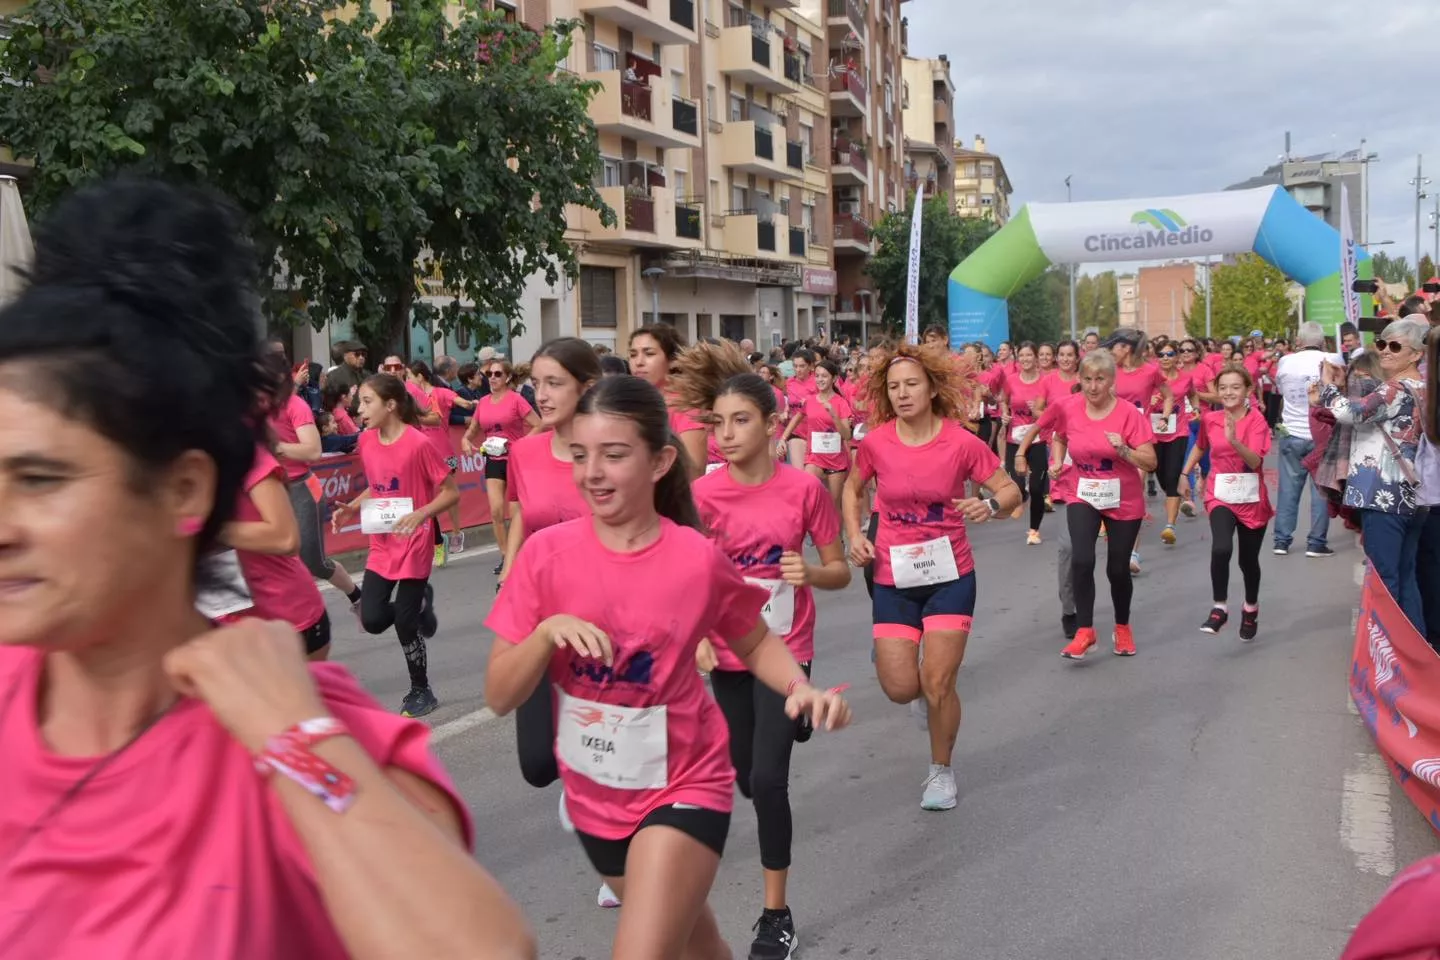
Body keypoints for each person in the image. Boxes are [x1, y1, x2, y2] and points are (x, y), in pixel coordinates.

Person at [0, 177, 534, 959]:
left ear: (184, 489)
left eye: (42, 480)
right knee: (379, 606)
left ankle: (415, 639)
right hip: (349, 560)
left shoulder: (304, 733)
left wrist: (292, 736)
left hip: (326, 597)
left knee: (387, 612)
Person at [483, 375, 850, 960]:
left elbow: (753, 642)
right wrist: (547, 633)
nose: (592, 473)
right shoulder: (543, 557)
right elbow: (500, 694)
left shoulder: (695, 558)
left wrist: (799, 687)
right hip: (595, 793)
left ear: (660, 462)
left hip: (684, 782)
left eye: (614, 455)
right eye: (581, 455)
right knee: (698, 945)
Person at [692, 372, 850, 960]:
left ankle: (776, 915)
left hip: (786, 645)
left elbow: (839, 571)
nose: (726, 434)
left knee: (766, 779)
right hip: (729, 653)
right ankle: (796, 718)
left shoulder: (804, 489)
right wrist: (697, 638)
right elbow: (688, 579)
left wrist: (809, 572)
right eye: (718, 423)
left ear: (770, 422)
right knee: (743, 776)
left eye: (740, 420)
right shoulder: (703, 498)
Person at [842, 343, 1021, 812]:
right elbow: (852, 487)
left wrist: (989, 505)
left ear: (931, 388)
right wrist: (854, 534)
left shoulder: (961, 441)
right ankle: (893, 658)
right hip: (893, 575)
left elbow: (1010, 491)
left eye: (911, 384)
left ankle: (940, 771)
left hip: (950, 574)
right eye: (893, 386)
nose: (902, 394)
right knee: (902, 689)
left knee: (939, 682)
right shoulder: (877, 441)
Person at [494, 338, 619, 909]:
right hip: (542, 616)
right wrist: (510, 572)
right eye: (536, 383)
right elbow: (525, 518)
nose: (539, 395)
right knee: (540, 764)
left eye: (553, 384)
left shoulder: (617, 446)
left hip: (611, 617)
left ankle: (616, 855)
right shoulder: (523, 454)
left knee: (614, 750)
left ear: (586, 387)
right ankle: (583, 788)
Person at [333, 375, 458, 718]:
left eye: (367, 402)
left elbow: (451, 492)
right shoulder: (367, 441)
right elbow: (379, 486)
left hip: (414, 539)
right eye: (360, 403)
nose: (360, 410)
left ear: (390, 405)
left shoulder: (418, 444)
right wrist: (352, 508)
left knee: (403, 622)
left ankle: (422, 689)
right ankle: (419, 609)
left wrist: (422, 514)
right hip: (382, 540)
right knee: (372, 619)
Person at [1317, 317, 1429, 633]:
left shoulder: (1396, 388)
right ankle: (1414, 658)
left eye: (1395, 346)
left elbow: (1350, 413)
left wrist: (1326, 387)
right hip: (1412, 494)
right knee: (1405, 579)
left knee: (1384, 581)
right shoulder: (1423, 388)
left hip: (1384, 494)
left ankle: (1388, 656)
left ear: (1417, 354)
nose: (1385, 351)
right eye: (1381, 343)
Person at [1050, 349, 1158, 660]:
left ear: (1112, 380)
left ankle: (1122, 627)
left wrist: (1124, 450)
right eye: (1087, 379)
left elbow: (1150, 461)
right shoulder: (1070, 408)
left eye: (1100, 379)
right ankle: (1085, 631)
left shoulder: (1128, 414)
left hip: (1123, 498)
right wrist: (1058, 461)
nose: (1093, 386)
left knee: (1117, 569)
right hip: (1082, 492)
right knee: (1081, 559)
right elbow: (1059, 436)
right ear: (1079, 380)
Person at [268, 350, 364, 614]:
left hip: (301, 488)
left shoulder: (295, 405)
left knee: (313, 561)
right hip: (269, 488)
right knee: (273, 557)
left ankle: (357, 597)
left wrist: (276, 448)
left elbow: (312, 451)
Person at [1183, 367, 1273, 640]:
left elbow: (1255, 461)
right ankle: (1219, 607)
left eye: (1235, 387)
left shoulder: (1257, 421)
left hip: (1250, 499)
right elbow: (1201, 446)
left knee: (1248, 561)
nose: (1229, 393)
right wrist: (1184, 473)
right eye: (1223, 388)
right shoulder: (1210, 419)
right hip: (1219, 493)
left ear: (1247, 390)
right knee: (1221, 547)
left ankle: (1250, 607)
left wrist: (1233, 439)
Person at [223, 439, 333, 660]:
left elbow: (285, 538)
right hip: (223, 624)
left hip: (286, 616)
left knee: (318, 563)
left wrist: (211, 529)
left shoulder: (248, 458)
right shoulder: (170, 473)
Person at [1100, 327, 1172, 575]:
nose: (1111, 352)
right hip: (1111, 438)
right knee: (1112, 490)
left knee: (1133, 494)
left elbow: (1168, 395)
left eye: (1114, 348)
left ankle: (1132, 553)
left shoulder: (1150, 371)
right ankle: (1113, 535)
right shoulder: (1110, 373)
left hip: (1138, 439)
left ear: (1126, 348)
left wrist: (1163, 416)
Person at [463, 358, 541, 575]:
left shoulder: (516, 400)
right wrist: (465, 441)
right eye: (489, 374)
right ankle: (505, 555)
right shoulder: (484, 402)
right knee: (496, 511)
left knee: (516, 512)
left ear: (507, 377)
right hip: (493, 460)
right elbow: (473, 430)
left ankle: (521, 553)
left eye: (498, 374)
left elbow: (538, 424)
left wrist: (519, 445)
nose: (493, 378)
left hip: (515, 460)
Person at [1272, 322, 1337, 557]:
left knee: (1288, 489)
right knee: (1321, 491)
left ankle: (1281, 540)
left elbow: (1279, 389)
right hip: (1321, 433)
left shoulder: (1286, 361)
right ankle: (1316, 542)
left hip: (1291, 431)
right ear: (1321, 341)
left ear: (1299, 340)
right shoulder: (1332, 358)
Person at [407, 360, 476, 553]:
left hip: (444, 451)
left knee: (449, 494)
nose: (408, 381)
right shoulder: (408, 397)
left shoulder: (439, 393)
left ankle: (456, 532)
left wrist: (471, 403)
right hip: (420, 452)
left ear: (420, 377)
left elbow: (460, 401)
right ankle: (434, 538)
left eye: (410, 377)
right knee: (423, 496)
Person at [628, 322, 707, 476]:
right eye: (633, 354)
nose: (638, 362)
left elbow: (694, 469)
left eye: (649, 354)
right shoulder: (631, 401)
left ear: (672, 360)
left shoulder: (684, 404)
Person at [999, 341, 1050, 543]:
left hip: (1037, 439)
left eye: (1029, 355)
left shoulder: (1045, 381)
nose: (1026, 360)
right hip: (1015, 439)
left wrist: (1039, 411)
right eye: (1022, 356)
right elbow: (1003, 400)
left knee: (1037, 488)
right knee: (1017, 485)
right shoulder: (1011, 380)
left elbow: (1054, 408)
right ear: (1017, 358)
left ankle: (1034, 531)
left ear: (1036, 358)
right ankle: (1023, 495)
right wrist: (1005, 415)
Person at [1417, 329, 1440, 653]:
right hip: (1431, 493)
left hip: (1431, 493)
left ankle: (1432, 636)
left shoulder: (1422, 389)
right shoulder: (1423, 390)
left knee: (1431, 566)